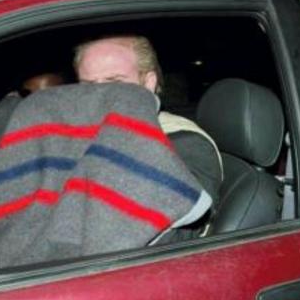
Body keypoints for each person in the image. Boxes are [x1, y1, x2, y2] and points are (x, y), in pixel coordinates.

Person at [74, 35, 223, 221]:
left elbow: (164, 233)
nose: (99, 96)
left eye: (115, 82)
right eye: (88, 85)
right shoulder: (87, 135)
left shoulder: (183, 144)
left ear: (148, 83)